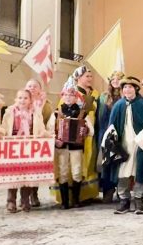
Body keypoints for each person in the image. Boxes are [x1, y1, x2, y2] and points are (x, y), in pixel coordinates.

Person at [102, 76, 143, 215]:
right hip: (123, 144)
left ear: (136, 89)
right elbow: (111, 125)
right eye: (125, 87)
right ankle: (124, 200)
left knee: (139, 171)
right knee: (122, 172)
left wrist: (142, 137)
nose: (127, 90)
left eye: (130, 87)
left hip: (139, 144)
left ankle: (139, 199)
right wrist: (113, 140)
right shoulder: (119, 105)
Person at [0, 89, 52, 213]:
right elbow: (4, 126)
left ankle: (25, 200)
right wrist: (1, 133)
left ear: (30, 100)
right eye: (20, 98)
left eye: (25, 98)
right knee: (13, 175)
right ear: (16, 99)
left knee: (27, 174)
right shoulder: (10, 112)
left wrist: (45, 135)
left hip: (29, 146)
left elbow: (40, 128)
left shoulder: (35, 113)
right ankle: (11, 201)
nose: (22, 100)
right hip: (13, 146)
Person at [47, 80, 94, 209]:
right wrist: (55, 139)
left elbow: (91, 131)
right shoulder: (57, 113)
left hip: (76, 147)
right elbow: (49, 130)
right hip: (61, 147)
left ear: (76, 97)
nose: (68, 97)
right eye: (66, 95)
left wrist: (84, 131)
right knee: (62, 172)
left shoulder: (82, 113)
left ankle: (76, 200)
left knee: (77, 171)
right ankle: (65, 202)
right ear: (62, 96)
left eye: (72, 95)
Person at [69, 65, 100, 203]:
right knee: (77, 163)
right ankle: (75, 196)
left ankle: (89, 194)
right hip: (77, 133)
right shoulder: (72, 92)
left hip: (93, 132)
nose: (90, 78)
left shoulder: (96, 94)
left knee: (91, 160)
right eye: (87, 76)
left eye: (91, 76)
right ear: (78, 77)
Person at [24, 78, 53, 208]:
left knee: (34, 169)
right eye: (29, 86)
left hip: (38, 140)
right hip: (23, 140)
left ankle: (34, 194)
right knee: (23, 170)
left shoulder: (46, 104)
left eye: (35, 86)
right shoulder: (21, 101)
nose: (32, 88)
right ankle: (24, 196)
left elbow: (48, 122)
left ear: (40, 90)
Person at [97, 71, 123, 202]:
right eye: (113, 79)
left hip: (122, 134)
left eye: (118, 79)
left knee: (121, 162)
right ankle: (108, 190)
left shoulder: (126, 96)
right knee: (107, 163)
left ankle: (121, 190)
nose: (115, 81)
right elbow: (100, 117)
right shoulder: (103, 97)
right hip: (106, 132)